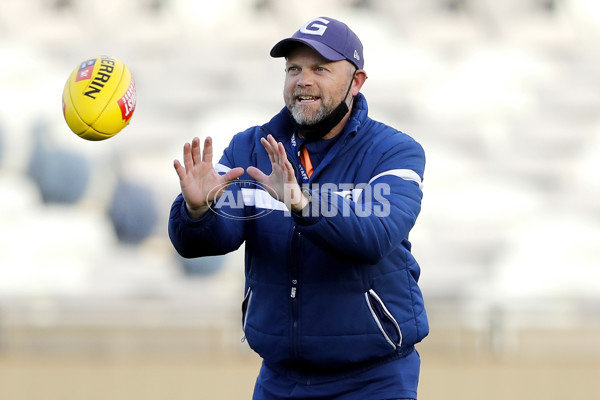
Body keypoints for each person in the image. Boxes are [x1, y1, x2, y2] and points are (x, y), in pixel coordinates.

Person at [169, 16, 428, 400]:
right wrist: (198, 211)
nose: (303, 80)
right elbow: (205, 241)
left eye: (320, 68)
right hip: (279, 380)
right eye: (294, 69)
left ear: (356, 82)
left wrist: (302, 204)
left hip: (374, 381)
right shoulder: (251, 147)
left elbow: (375, 236)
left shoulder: (393, 152)